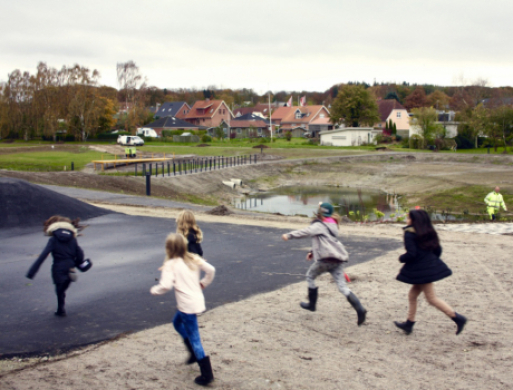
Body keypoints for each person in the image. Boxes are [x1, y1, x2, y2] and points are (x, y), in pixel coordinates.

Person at [281, 202, 367, 326]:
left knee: (310, 276)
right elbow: (325, 241)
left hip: (325, 260)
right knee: (343, 287)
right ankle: (360, 309)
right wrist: (312, 251)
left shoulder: (319, 225)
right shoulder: (333, 223)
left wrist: (288, 235)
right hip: (337, 260)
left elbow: (305, 232)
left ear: (320, 212)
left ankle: (312, 304)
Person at [150, 233, 215, 386]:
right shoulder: (193, 258)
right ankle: (193, 352)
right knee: (176, 323)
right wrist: (203, 283)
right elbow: (211, 270)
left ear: (169, 248)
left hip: (187, 306)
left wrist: (155, 290)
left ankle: (206, 374)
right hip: (194, 301)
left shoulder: (170, 265)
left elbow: (165, 285)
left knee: (195, 339)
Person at [394, 209, 467, 335]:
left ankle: (457, 318)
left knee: (431, 298)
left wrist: (401, 258)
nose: (407, 219)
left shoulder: (409, 233)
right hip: (426, 267)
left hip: (422, 270)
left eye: (408, 217)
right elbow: (438, 249)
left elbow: (412, 254)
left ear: (413, 220)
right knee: (412, 295)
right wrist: (432, 261)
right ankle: (409, 323)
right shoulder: (427, 231)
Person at [26, 216, 86, 317]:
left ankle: (61, 310)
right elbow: (80, 254)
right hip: (70, 266)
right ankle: (68, 277)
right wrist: (78, 264)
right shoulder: (73, 239)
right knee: (64, 286)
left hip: (58, 267)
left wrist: (32, 272)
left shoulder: (53, 239)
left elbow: (44, 255)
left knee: (59, 289)